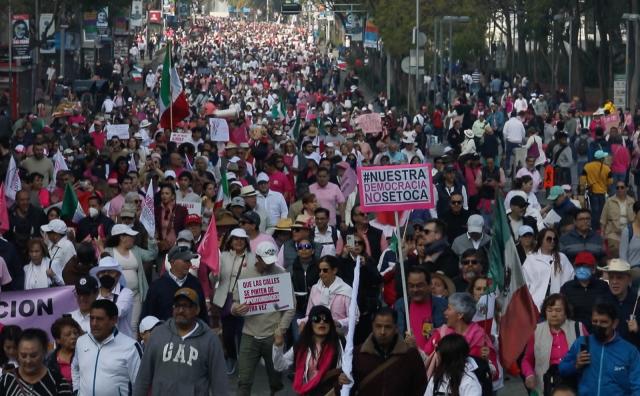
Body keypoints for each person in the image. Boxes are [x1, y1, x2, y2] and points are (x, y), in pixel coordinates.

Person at [133, 288, 229, 396]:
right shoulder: (158, 334)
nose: (180, 310)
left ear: (197, 310)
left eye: (186, 306)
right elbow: (143, 376)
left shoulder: (210, 340)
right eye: (177, 306)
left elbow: (219, 383)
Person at [231, 241, 295, 396]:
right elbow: (235, 302)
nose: (268, 265)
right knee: (244, 380)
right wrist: (236, 310)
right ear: (257, 258)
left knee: (275, 380)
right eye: (265, 261)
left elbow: (290, 307)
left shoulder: (281, 273)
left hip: (273, 335)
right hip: (249, 334)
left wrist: (281, 330)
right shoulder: (245, 274)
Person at [338, 307, 427, 395]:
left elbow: (421, 389)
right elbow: (346, 390)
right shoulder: (357, 354)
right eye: (378, 326)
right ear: (372, 326)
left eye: (387, 327)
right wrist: (341, 383)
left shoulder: (410, 356)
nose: (382, 332)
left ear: (396, 328)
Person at [559, 302, 640, 395]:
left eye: (604, 322)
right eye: (595, 321)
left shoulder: (629, 351)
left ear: (614, 323)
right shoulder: (582, 343)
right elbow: (562, 369)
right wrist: (575, 365)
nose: (598, 325)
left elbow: (637, 386)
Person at [521, 294, 587, 395]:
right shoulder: (536, 331)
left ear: (566, 312)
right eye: (550, 310)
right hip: (545, 387)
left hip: (574, 386)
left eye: (558, 310)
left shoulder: (578, 327)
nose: (554, 314)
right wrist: (529, 374)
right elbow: (527, 359)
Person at [72, 300, 141, 396]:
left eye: (99, 319)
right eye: (91, 318)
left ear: (114, 320)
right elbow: (75, 367)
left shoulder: (131, 347)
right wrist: (76, 391)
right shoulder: (81, 342)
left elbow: (141, 384)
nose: (94, 323)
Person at [424, 293, 498, 382]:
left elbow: (492, 374)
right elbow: (426, 357)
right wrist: (413, 346)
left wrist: (486, 362)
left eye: (449, 309)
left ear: (460, 315)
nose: (445, 312)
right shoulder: (441, 333)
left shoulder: (480, 338)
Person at [211, 227, 255, 374]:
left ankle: (244, 362)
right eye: (236, 239)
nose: (238, 242)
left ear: (246, 242)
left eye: (242, 239)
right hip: (226, 300)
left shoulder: (253, 258)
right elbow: (214, 279)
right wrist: (214, 273)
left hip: (244, 301)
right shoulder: (222, 256)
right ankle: (231, 357)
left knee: (243, 334)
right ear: (230, 241)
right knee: (228, 334)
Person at [273, 305, 342, 395]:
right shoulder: (302, 345)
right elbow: (279, 366)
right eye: (316, 319)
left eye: (326, 319)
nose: (321, 322)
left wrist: (342, 379)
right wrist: (278, 347)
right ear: (310, 323)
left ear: (330, 323)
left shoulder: (338, 344)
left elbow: (345, 370)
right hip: (306, 392)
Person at [102, 223, 158, 333]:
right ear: (122, 237)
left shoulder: (136, 250)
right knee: (116, 322)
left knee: (133, 325)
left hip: (135, 294)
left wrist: (151, 240)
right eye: (130, 236)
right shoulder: (109, 251)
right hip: (116, 294)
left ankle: (133, 348)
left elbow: (152, 255)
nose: (133, 238)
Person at [141, 245, 208, 323]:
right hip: (164, 334)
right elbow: (147, 316)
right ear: (172, 262)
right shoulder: (157, 287)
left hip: (191, 334)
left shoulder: (195, 284)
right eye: (185, 261)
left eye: (190, 261)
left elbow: (203, 314)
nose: (189, 264)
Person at [0, 328, 72, 396]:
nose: (28, 361)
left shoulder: (57, 380)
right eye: (23, 356)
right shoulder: (6, 379)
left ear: (44, 352)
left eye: (33, 356)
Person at [395, 266, 447, 353]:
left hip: (436, 358)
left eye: (420, 285)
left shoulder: (443, 305)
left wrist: (437, 334)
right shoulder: (400, 305)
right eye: (411, 286)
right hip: (409, 358)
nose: (415, 290)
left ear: (429, 285)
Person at [300, 255, 353, 335]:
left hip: (339, 334)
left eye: (325, 270)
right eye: (320, 270)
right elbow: (309, 314)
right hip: (317, 334)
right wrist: (303, 322)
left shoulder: (346, 290)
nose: (321, 273)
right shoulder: (315, 288)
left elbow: (354, 318)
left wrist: (339, 322)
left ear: (334, 270)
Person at [523, 228, 575, 310]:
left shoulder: (562, 258)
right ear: (541, 240)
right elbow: (525, 282)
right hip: (535, 303)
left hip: (558, 303)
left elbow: (569, 278)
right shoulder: (531, 259)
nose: (552, 241)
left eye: (554, 239)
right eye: (549, 239)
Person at [561, 251, 612, 330]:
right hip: (574, 331)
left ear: (593, 269)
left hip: (598, 329)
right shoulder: (567, 287)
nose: (581, 269)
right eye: (578, 266)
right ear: (574, 268)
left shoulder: (603, 286)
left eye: (586, 266)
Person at [90, 256, 135, 338]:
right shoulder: (93, 294)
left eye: (110, 272)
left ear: (118, 275)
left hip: (122, 343)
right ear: (98, 275)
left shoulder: (126, 293)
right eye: (103, 272)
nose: (106, 275)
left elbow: (118, 312)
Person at [580, 149, 613, 230]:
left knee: (594, 211)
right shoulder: (607, 169)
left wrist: (582, 189)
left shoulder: (587, 166)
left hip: (592, 192)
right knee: (602, 211)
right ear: (601, 159)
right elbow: (610, 182)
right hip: (602, 192)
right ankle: (600, 227)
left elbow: (582, 180)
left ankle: (594, 227)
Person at [601, 181, 635, 258]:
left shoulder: (632, 201)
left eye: (622, 187)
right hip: (613, 231)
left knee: (631, 251)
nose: (620, 189)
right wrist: (602, 233)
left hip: (629, 231)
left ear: (626, 189)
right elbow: (603, 218)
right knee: (615, 251)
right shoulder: (609, 201)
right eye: (617, 188)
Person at [46, 316, 81, 386]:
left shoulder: (86, 354)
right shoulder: (48, 359)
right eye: (68, 335)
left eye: (75, 333)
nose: (73, 337)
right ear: (57, 340)